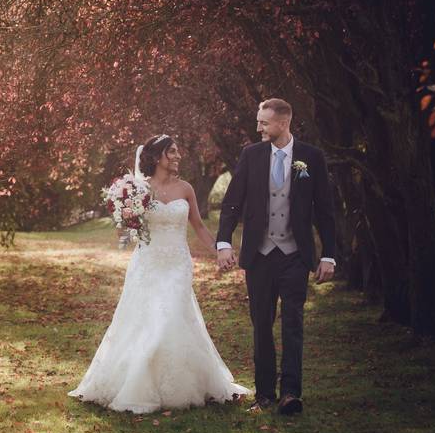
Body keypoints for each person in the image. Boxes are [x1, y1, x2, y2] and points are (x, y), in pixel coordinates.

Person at [68, 134, 248, 413]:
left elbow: (199, 226)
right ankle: (138, 383)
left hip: (177, 263)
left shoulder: (186, 188)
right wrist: (124, 214)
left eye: (177, 152)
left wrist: (220, 250)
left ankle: (180, 384)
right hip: (147, 263)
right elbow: (126, 234)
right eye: (172, 152)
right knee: (144, 320)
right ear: (156, 157)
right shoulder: (137, 189)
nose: (177, 156)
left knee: (172, 316)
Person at [216, 98, 337, 415]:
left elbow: (325, 210)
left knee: (293, 323)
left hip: (295, 255)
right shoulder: (251, 155)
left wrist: (330, 255)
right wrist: (223, 242)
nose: (258, 127)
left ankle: (291, 394)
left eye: (264, 122)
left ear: (283, 123)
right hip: (260, 254)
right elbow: (232, 201)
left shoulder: (311, 157)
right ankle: (265, 393)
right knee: (261, 325)